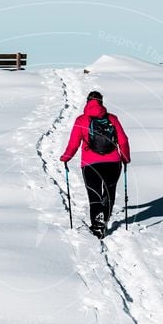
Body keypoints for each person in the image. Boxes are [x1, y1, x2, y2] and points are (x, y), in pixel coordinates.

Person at [60, 90, 131, 238]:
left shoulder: (81, 120)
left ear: (87, 102)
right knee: (109, 192)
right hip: (113, 163)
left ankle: (98, 225)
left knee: (94, 194)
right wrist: (125, 158)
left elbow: (74, 144)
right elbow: (123, 140)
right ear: (101, 102)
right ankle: (105, 214)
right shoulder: (112, 118)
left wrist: (66, 157)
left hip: (90, 164)